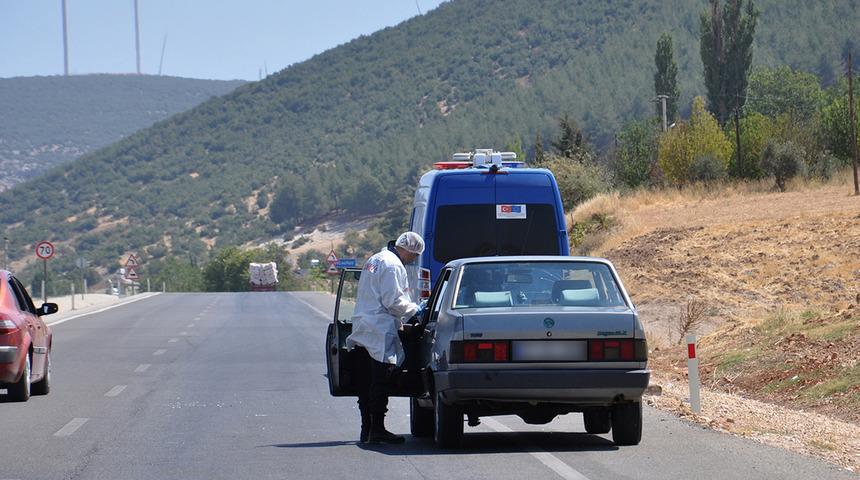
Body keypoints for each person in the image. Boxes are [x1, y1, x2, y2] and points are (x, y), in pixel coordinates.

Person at [345, 231, 425, 444]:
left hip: (363, 325)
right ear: (408, 251)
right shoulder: (393, 265)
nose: (414, 260)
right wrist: (416, 310)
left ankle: (367, 429)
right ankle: (377, 429)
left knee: (365, 381)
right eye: (414, 256)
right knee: (380, 380)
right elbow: (393, 301)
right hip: (379, 328)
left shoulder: (376, 259)